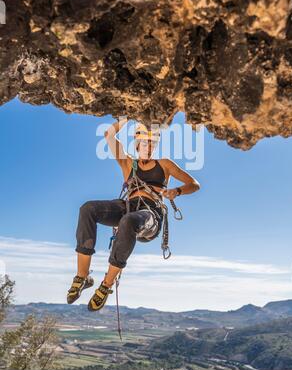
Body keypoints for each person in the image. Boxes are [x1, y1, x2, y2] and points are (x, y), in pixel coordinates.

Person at [67, 119, 200, 311]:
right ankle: (82, 275)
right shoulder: (129, 162)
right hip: (128, 206)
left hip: (150, 213)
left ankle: (106, 285)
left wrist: (176, 191)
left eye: (152, 144)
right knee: (88, 209)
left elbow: (194, 184)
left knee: (128, 221)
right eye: (144, 143)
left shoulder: (164, 164)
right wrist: (125, 118)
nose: (148, 147)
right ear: (137, 145)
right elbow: (109, 135)